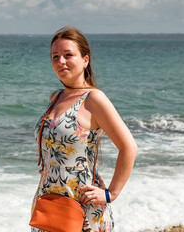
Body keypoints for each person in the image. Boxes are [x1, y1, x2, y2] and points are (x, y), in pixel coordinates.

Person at [31, 26, 137, 232]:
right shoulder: (56, 97)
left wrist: (111, 194)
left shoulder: (94, 98)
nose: (60, 61)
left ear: (85, 60)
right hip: (48, 203)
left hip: (82, 206)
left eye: (68, 55)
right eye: (55, 56)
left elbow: (129, 147)